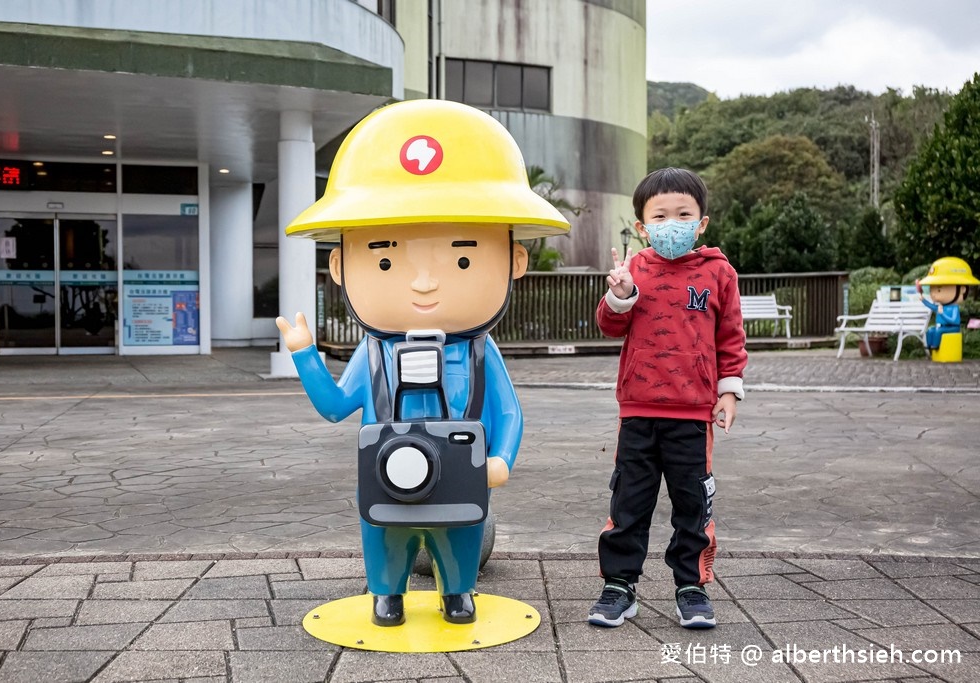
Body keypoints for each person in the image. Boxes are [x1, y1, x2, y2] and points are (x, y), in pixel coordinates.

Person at [275, 99, 570, 627]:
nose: (424, 281)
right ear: (340, 267)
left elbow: (509, 412)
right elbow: (336, 407)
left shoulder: (480, 353)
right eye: (386, 261)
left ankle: (458, 591)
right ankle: (385, 594)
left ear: (515, 261)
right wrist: (304, 354)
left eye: (462, 259)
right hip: (385, 470)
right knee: (384, 530)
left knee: (459, 530)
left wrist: (502, 458)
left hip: (463, 469)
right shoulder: (374, 354)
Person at [588, 167, 747, 630]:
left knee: (692, 505)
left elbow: (731, 338)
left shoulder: (719, 273)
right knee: (628, 503)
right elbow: (610, 326)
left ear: (701, 223)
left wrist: (729, 392)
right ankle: (620, 586)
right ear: (642, 225)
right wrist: (619, 297)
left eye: (683, 214)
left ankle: (691, 587)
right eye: (660, 215)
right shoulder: (634, 269)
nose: (671, 222)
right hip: (638, 409)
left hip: (693, 414)